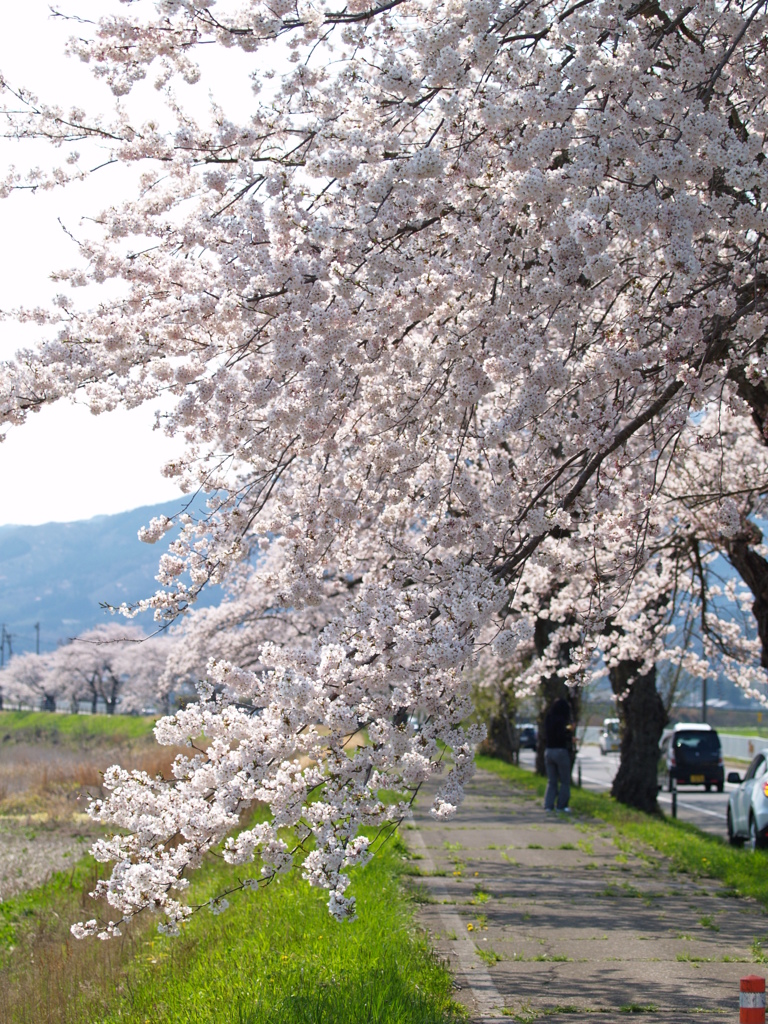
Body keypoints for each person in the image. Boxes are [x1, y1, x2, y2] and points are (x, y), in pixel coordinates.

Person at [543, 697, 573, 813]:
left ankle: (548, 805)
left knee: (552, 781)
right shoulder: (562, 720)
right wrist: (570, 735)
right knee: (565, 781)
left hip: (549, 751)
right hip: (560, 751)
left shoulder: (548, 718)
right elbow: (562, 735)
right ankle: (561, 806)